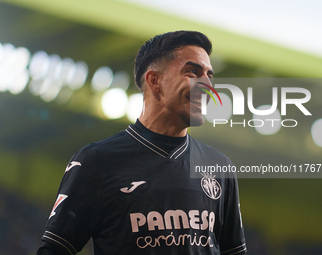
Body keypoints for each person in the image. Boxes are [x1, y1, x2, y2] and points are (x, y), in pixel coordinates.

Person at [36, 30, 247, 255]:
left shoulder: (218, 166)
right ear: (155, 80)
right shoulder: (96, 161)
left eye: (209, 76)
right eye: (193, 72)